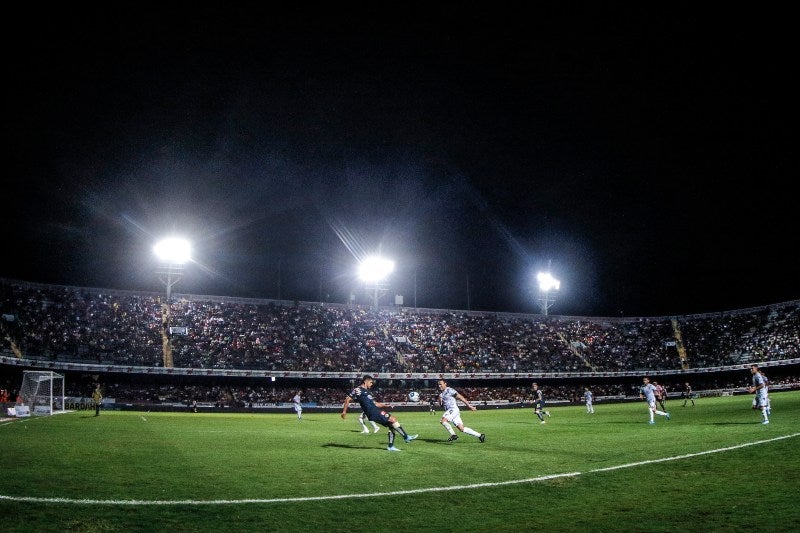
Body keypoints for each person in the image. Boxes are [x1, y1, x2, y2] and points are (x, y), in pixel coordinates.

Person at [341, 375, 417, 451]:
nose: (372, 384)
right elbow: (348, 399)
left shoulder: (368, 392)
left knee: (392, 425)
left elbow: (376, 404)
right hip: (372, 412)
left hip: (375, 410)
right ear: (365, 381)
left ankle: (391, 447)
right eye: (371, 382)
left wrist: (387, 405)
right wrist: (344, 412)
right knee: (393, 419)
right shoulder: (358, 390)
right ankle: (406, 437)